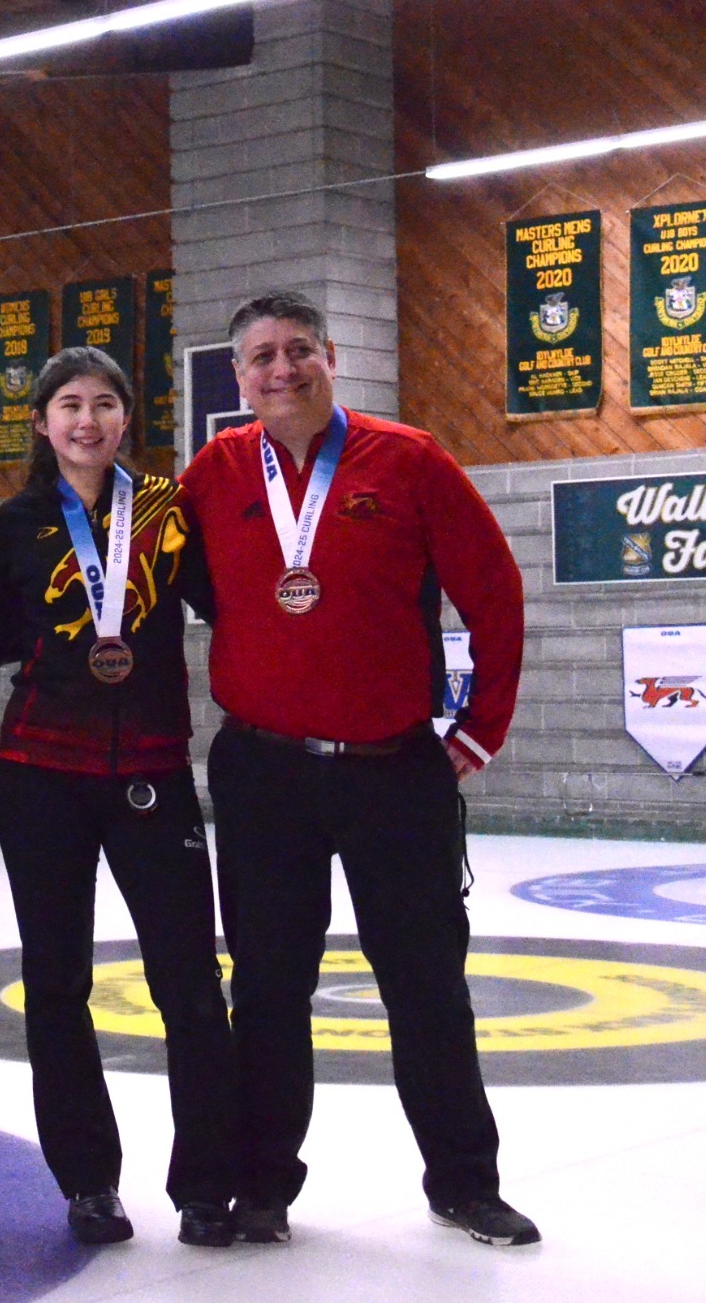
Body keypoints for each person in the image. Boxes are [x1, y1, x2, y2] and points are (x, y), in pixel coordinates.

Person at [180, 289, 535, 1247]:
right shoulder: (212, 474)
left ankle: (464, 1180)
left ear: (332, 355)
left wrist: (476, 732)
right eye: (261, 356)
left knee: (426, 983)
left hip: (393, 772)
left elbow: (495, 594)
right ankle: (262, 1184)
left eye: (298, 350)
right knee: (264, 986)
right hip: (264, 774)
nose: (281, 370)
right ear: (237, 373)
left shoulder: (407, 459)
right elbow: (196, 593)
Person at [0, 346, 237, 1248]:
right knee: (57, 986)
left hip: (149, 775)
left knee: (191, 985)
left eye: (103, 404)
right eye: (68, 406)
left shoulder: (169, 513)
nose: (85, 421)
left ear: (128, 417)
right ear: (43, 423)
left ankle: (209, 1183)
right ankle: (88, 1182)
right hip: (41, 778)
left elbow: (235, 608)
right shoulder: (12, 524)